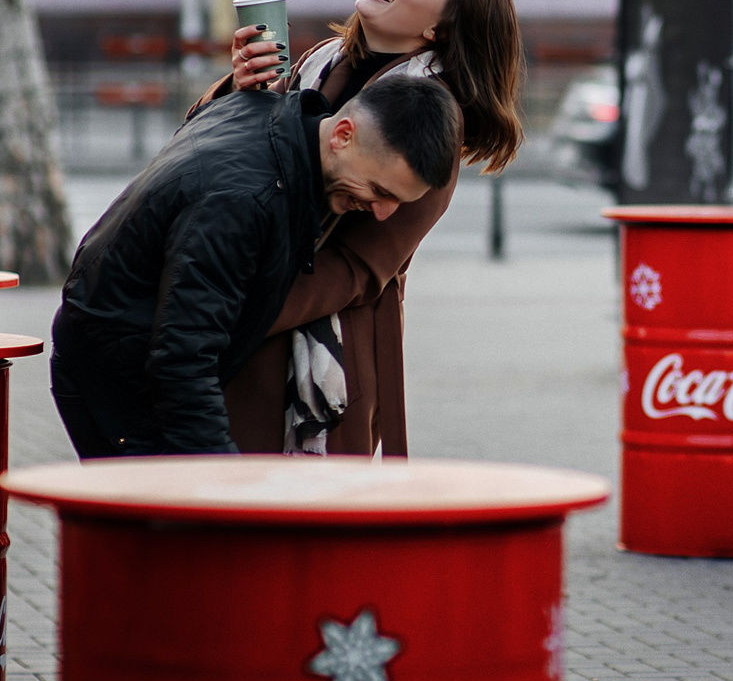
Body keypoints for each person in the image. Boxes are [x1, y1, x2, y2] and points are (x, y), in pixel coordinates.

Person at [192, 0, 524, 455]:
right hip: (240, 313)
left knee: (298, 521)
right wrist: (240, 87)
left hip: (318, 351)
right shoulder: (319, 61)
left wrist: (230, 315)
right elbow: (216, 158)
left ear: (441, 27)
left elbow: (359, 266)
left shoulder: (431, 121)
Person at [49, 71, 462, 457]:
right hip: (115, 382)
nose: (382, 212)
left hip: (113, 352)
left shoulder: (268, 114)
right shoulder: (243, 200)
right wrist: (225, 480)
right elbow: (184, 359)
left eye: (396, 202)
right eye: (377, 190)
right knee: (167, 531)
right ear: (342, 134)